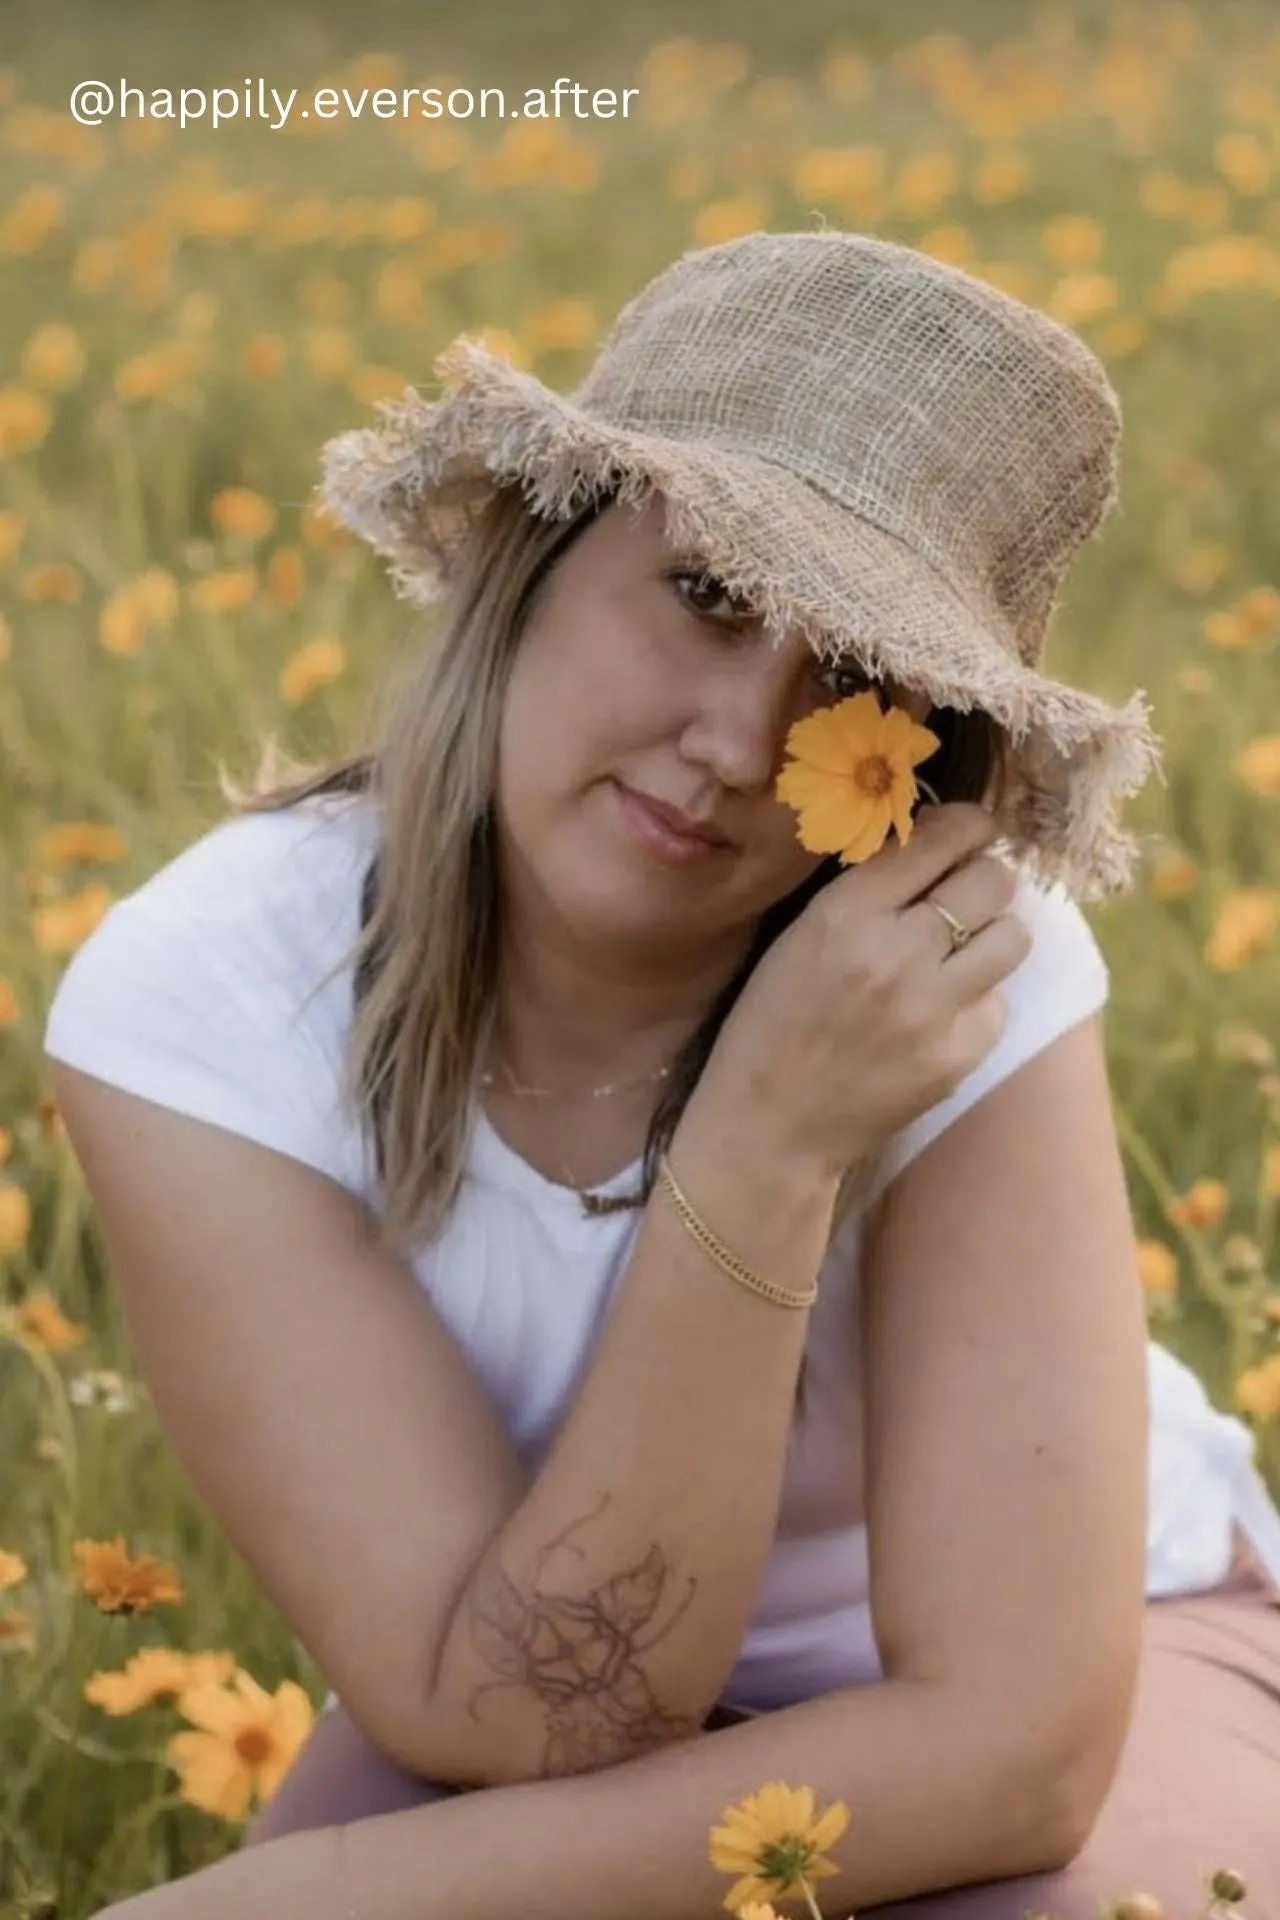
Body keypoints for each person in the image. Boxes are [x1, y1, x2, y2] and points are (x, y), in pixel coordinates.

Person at [45, 231, 1280, 1919]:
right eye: (707, 596)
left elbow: (1015, 1758)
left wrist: (775, 1128)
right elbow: (535, 1721)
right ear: (533, 556)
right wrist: (756, 1163)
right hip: (519, 1684)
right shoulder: (211, 995)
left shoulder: (957, 974)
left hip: (1088, 1665)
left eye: (854, 684)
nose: (734, 747)